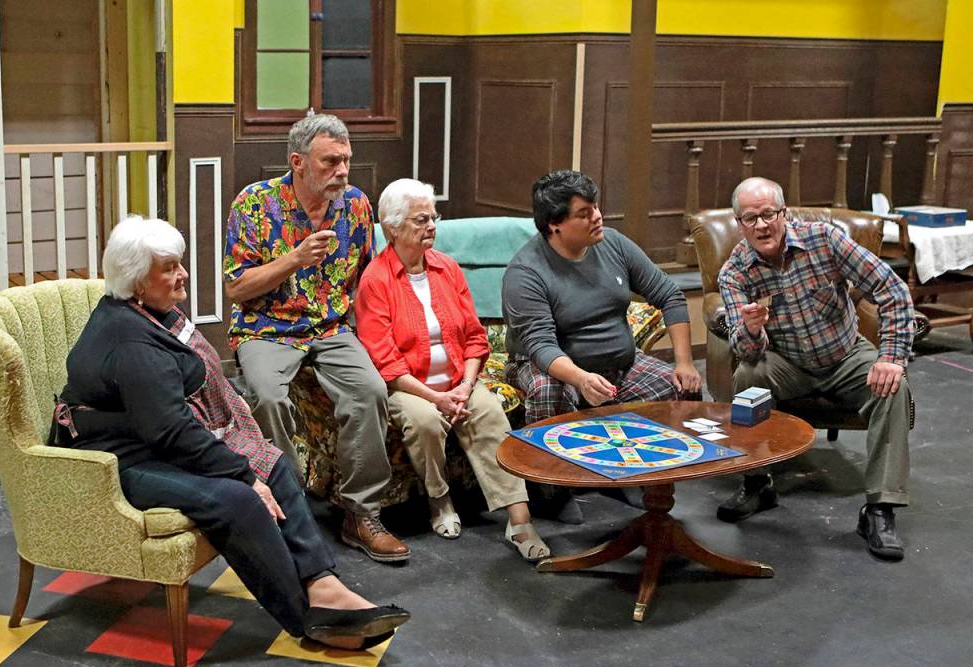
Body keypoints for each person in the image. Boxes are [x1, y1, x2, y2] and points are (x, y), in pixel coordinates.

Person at [54, 216, 409, 649]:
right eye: (169, 267)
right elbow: (170, 432)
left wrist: (251, 468)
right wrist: (242, 476)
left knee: (272, 463)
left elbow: (171, 423)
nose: (182, 274)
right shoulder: (133, 343)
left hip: (148, 439)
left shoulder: (150, 312)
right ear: (137, 281)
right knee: (238, 498)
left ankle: (322, 583)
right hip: (115, 460)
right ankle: (307, 619)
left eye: (179, 263)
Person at [224, 114, 408, 563]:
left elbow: (367, 280)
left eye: (346, 160)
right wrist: (294, 259)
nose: (342, 171)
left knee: (368, 390)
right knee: (267, 397)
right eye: (330, 161)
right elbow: (236, 287)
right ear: (298, 162)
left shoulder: (357, 206)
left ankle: (360, 514)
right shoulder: (254, 204)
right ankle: (290, 511)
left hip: (331, 327)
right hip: (267, 327)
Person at [717, 177, 914, 561]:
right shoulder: (735, 272)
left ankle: (879, 509)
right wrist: (751, 329)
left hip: (845, 353)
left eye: (768, 214)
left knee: (893, 386)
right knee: (747, 378)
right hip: (787, 361)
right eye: (750, 218)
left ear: (784, 213)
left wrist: (891, 356)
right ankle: (758, 482)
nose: (761, 225)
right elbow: (745, 350)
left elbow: (892, 291)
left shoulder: (825, 240)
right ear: (740, 224)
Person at [355, 179, 550, 561]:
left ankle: (520, 521)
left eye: (434, 217)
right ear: (392, 228)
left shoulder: (446, 268)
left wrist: (464, 386)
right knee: (425, 421)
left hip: (458, 381)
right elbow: (386, 363)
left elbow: (476, 339)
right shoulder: (375, 281)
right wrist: (437, 398)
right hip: (410, 388)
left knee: (490, 413)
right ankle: (439, 500)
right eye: (420, 219)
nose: (432, 226)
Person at [501, 170, 702, 522]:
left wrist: (685, 362)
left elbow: (669, 295)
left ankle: (632, 473)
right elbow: (541, 346)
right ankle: (552, 490)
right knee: (549, 390)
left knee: (680, 389)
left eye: (596, 207)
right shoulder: (526, 272)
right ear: (554, 225)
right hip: (548, 364)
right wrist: (580, 378)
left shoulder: (613, 243)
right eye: (583, 213)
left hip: (620, 362)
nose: (597, 217)